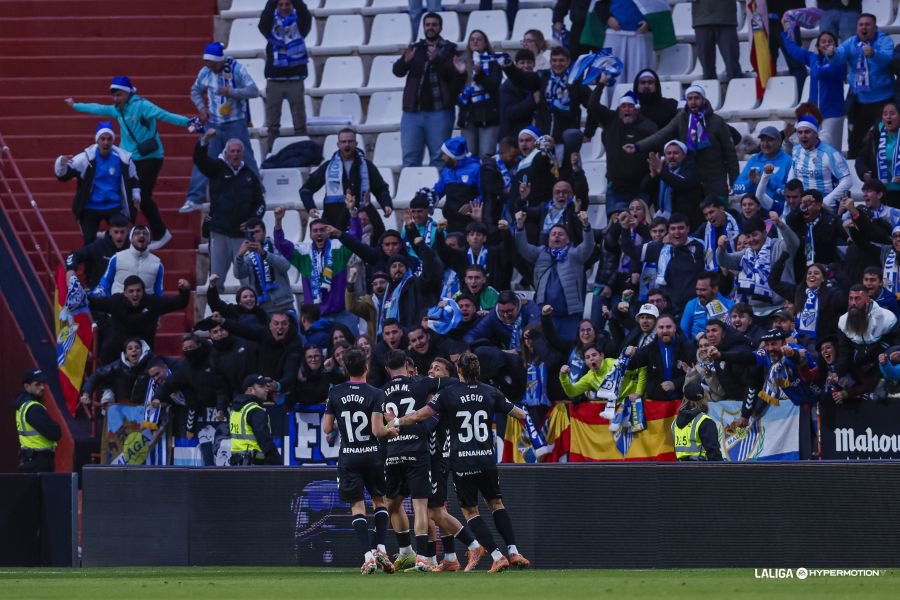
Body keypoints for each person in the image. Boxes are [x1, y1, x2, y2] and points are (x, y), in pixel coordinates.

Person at [388, 352, 530, 573]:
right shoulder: (490, 391)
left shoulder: (448, 394)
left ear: (458, 371)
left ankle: (491, 554)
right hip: (486, 459)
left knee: (466, 511)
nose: (432, 372)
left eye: (437, 369)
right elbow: (520, 415)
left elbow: (419, 418)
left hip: (459, 460)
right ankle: (511, 551)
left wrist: (395, 421)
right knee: (495, 504)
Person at [66, 76, 193, 248]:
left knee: (143, 197)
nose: (115, 99)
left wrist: (188, 122)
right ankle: (116, 231)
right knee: (124, 195)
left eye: (119, 95)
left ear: (128, 93)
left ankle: (161, 233)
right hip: (130, 159)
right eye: (114, 95)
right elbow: (99, 108)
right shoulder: (118, 110)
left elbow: (164, 115)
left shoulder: (142, 105)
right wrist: (76, 106)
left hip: (150, 158)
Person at [322, 349, 396, 574]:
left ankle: (368, 556)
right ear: (366, 367)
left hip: (349, 456)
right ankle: (380, 548)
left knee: (357, 505)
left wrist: (342, 422)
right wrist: (391, 429)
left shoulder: (335, 392)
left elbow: (327, 428)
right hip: (373, 456)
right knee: (379, 501)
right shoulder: (376, 393)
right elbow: (377, 430)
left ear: (345, 368)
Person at [182, 41, 260, 212]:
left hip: (235, 122)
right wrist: (202, 108)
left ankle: (258, 191)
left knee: (246, 157)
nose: (210, 66)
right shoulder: (205, 72)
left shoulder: (237, 69)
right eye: (208, 63)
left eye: (213, 63)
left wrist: (231, 92)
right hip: (214, 123)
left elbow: (254, 91)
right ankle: (194, 198)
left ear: (220, 60)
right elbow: (195, 91)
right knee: (203, 159)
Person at [628, 84, 739, 198]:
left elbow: (730, 155)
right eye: (690, 99)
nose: (693, 102)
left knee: (718, 207)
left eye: (696, 98)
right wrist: (638, 146)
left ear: (703, 100)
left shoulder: (717, 121)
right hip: (691, 177)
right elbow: (662, 135)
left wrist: (735, 183)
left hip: (715, 178)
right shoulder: (682, 119)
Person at [193, 128, 266, 291]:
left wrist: (253, 221)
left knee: (248, 281)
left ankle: (251, 307)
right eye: (232, 151)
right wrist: (204, 141)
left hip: (242, 236)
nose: (235, 154)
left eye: (238, 151)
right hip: (219, 233)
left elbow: (260, 203)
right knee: (216, 280)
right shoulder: (216, 168)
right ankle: (214, 307)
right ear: (226, 153)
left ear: (243, 153)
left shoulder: (249, 175)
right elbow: (199, 160)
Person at [394, 12, 462, 168]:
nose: (430, 28)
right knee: (410, 159)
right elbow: (397, 71)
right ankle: (411, 185)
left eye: (434, 25)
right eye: (427, 25)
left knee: (440, 159)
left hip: (440, 112)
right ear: (423, 27)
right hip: (413, 112)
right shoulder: (416, 48)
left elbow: (452, 77)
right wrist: (405, 61)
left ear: (440, 28)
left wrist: (436, 60)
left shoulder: (450, 50)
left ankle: (438, 185)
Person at [54, 122, 139, 245]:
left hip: (114, 206)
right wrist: (61, 163)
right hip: (90, 207)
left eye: (109, 139)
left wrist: (136, 195)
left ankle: (106, 237)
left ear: (113, 140)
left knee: (121, 240)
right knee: (89, 243)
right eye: (102, 139)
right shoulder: (85, 159)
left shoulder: (123, 159)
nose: (106, 142)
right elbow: (63, 176)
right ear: (97, 140)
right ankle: (101, 239)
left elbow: (134, 178)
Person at [515, 210, 594, 338]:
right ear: (548, 239)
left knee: (568, 345)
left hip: (569, 314)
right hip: (544, 312)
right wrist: (519, 226)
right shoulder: (540, 253)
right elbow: (523, 247)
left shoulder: (575, 254)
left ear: (568, 240)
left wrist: (586, 225)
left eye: (561, 234)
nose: (556, 236)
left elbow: (588, 245)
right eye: (553, 234)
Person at [300, 128, 393, 230]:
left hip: (361, 222)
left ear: (356, 143)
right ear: (338, 144)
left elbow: (381, 189)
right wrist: (310, 207)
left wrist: (386, 204)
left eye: (350, 141)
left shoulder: (367, 166)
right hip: (334, 222)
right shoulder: (328, 167)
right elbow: (306, 190)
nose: (347, 144)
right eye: (343, 142)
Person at [831, 12, 896, 159]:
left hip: (883, 100)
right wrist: (831, 54)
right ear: (857, 28)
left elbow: (889, 60)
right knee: (855, 141)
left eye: (867, 24)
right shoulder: (851, 42)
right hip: (860, 101)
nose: (864, 27)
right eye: (861, 25)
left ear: (875, 28)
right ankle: (855, 167)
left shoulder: (884, 40)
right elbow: (838, 57)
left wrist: (874, 54)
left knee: (883, 140)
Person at [587, 80, 657, 215]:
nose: (626, 109)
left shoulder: (648, 127)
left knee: (638, 225)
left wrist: (647, 182)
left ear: (637, 109)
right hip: (615, 189)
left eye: (630, 106)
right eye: (623, 106)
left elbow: (655, 153)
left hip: (639, 189)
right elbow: (592, 105)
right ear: (619, 109)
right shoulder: (611, 121)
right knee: (615, 226)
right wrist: (601, 84)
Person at [88, 275, 191, 364]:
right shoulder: (116, 301)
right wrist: (81, 294)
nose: (135, 294)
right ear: (125, 293)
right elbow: (94, 303)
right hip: (118, 348)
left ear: (143, 292)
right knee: (107, 349)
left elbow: (179, 303)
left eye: (138, 291)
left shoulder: (152, 302)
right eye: (131, 291)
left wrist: (185, 291)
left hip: (144, 348)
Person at [716, 214, 800, 319]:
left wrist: (780, 224)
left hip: (781, 309)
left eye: (755, 235)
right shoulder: (746, 254)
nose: (752, 239)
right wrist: (721, 248)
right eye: (748, 236)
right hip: (754, 312)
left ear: (764, 233)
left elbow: (794, 243)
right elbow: (724, 261)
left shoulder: (779, 246)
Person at [258, 0, 313, 146]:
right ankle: (272, 152)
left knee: (299, 122)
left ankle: (302, 150)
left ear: (292, 5)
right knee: (272, 124)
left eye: (287, 4)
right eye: (280, 4)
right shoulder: (270, 26)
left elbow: (305, 14)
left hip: (295, 79)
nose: (284, 7)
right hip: (274, 80)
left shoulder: (300, 25)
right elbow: (264, 20)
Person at [781, 30, 846, 150]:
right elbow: (794, 51)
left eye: (830, 41)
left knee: (831, 150)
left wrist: (815, 57)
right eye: (823, 42)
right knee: (807, 149)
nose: (826, 44)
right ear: (818, 46)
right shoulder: (813, 58)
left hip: (832, 114)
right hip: (813, 113)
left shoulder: (839, 61)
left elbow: (819, 73)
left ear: (835, 46)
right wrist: (785, 34)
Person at [639, 214, 707, 315]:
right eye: (673, 228)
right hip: (671, 308)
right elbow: (632, 251)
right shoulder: (660, 248)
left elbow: (710, 270)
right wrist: (625, 228)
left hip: (696, 305)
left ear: (688, 229)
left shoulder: (699, 245)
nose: (677, 232)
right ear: (668, 231)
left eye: (680, 228)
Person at [454, 30, 503, 158]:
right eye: (472, 39)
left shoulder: (494, 62)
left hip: (488, 116)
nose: (475, 41)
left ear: (485, 43)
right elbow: (455, 92)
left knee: (486, 157)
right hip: (468, 116)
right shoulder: (462, 62)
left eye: (479, 39)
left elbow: (494, 86)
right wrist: (460, 75)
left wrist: (480, 74)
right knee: (469, 157)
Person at [234, 217, 295, 315]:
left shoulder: (275, 245)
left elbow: (285, 266)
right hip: (262, 310)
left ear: (264, 232)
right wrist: (239, 257)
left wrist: (264, 254)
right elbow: (239, 274)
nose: (254, 235)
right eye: (251, 233)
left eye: (257, 231)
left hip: (284, 305)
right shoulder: (247, 253)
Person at [626, 314, 694, 402]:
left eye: (668, 327)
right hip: (656, 402)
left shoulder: (687, 347)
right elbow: (630, 366)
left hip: (682, 400)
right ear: (656, 330)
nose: (665, 330)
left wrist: (675, 384)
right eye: (661, 327)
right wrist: (628, 354)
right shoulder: (650, 349)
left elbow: (696, 375)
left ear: (675, 328)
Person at [733, 127, 794, 216]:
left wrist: (766, 183)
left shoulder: (788, 161)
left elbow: (791, 192)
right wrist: (750, 182)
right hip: (754, 212)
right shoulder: (753, 160)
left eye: (770, 140)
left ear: (779, 142)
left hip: (777, 211)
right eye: (763, 140)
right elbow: (736, 188)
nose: (765, 144)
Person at [641, 139, 703, 223]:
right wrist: (652, 175)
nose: (672, 156)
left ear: (684, 155)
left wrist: (661, 172)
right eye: (669, 153)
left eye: (676, 153)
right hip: (663, 217)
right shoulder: (662, 169)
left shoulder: (691, 168)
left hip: (686, 218)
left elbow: (681, 184)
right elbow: (644, 188)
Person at [64, 214, 130, 292]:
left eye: (122, 232)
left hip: (126, 294)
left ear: (127, 232)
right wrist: (71, 269)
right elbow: (73, 254)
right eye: (116, 232)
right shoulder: (99, 246)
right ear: (110, 232)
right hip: (100, 293)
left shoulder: (132, 248)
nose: (119, 236)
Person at [14, 369, 61, 473]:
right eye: (37, 384)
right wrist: (56, 426)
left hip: (30, 460)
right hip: (39, 462)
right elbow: (55, 434)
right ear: (27, 386)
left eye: (43, 383)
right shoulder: (33, 408)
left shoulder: (23, 404)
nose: (42, 387)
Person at [228, 374, 282, 465]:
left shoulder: (235, 409)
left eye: (266, 386)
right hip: (255, 465)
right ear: (250, 390)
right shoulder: (256, 411)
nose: (266, 389)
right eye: (261, 386)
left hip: (237, 464)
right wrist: (278, 464)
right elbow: (265, 442)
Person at [96, 224, 163, 297]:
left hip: (145, 303)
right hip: (119, 302)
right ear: (131, 238)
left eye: (145, 233)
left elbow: (158, 291)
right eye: (137, 233)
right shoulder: (117, 258)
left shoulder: (157, 264)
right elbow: (106, 281)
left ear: (149, 239)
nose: (141, 235)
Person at [856, 102, 900, 207]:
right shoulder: (875, 137)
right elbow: (860, 159)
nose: (888, 116)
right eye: (885, 114)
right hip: (880, 193)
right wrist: (864, 172)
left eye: (892, 113)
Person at [692, 0, 743, 81]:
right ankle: (710, 87)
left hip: (726, 17)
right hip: (701, 19)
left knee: (732, 62)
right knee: (707, 65)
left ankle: (736, 86)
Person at [672, 381, 722, 461]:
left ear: (685, 398)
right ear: (703, 398)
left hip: (681, 467)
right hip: (701, 467)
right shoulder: (705, 421)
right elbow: (714, 453)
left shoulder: (674, 423)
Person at [680, 272, 733, 340]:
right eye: (697, 289)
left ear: (715, 289)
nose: (698, 293)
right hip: (696, 344)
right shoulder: (691, 305)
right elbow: (684, 333)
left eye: (703, 290)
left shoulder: (730, 306)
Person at [498, 50, 538, 141]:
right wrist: (532, 100)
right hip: (513, 136)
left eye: (529, 62)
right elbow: (509, 113)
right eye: (522, 63)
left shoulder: (538, 81)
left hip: (533, 135)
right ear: (516, 65)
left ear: (534, 64)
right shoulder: (507, 86)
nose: (526, 66)